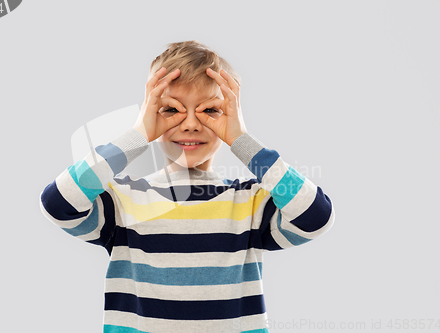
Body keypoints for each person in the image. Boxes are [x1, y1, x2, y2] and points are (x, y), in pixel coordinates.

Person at [39, 40, 335, 333]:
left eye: (210, 110)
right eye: (171, 110)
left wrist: (241, 140)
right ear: (151, 112)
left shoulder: (250, 202)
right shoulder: (123, 202)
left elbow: (315, 217)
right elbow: (58, 204)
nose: (191, 124)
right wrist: (138, 135)